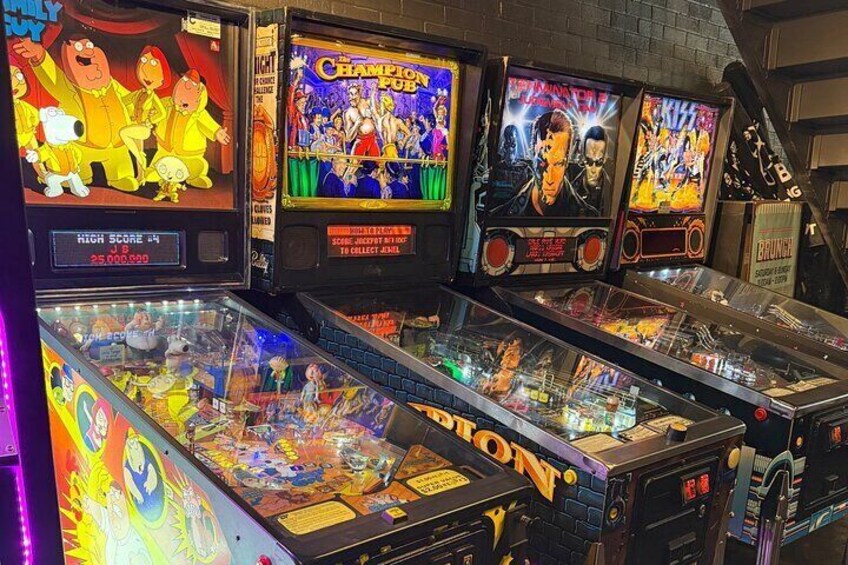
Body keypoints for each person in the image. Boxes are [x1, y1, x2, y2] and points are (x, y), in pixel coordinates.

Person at [14, 36, 138, 192]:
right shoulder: (68, 87)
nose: (88, 51)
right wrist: (39, 56)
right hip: (82, 147)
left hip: (117, 146)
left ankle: (120, 176)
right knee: (78, 168)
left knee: (120, 163)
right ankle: (77, 175)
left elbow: (129, 99)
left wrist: (140, 103)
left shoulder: (112, 85)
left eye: (90, 45)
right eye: (78, 47)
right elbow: (53, 76)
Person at [148, 70, 231, 189]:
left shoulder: (199, 114)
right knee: (160, 161)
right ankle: (155, 172)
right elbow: (157, 113)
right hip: (166, 149)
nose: (183, 100)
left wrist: (217, 132)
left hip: (189, 154)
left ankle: (194, 177)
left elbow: (208, 124)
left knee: (198, 165)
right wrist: (151, 115)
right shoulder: (167, 104)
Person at [492, 109, 580, 216]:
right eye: (542, 163)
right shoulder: (503, 215)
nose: (549, 179)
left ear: (567, 162)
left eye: (558, 164)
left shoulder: (587, 215)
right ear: (532, 158)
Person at [121, 46, 170, 183]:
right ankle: (140, 177)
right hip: (134, 125)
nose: (147, 76)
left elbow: (162, 113)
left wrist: (150, 120)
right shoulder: (137, 93)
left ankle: (139, 157)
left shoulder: (153, 97)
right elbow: (122, 101)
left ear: (162, 80)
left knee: (123, 133)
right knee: (139, 150)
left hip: (143, 128)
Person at [567, 125, 607, 216]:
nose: (593, 170)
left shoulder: (610, 190)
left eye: (598, 163)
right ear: (583, 158)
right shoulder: (571, 185)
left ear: (605, 160)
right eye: (589, 162)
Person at [344, 84, 380, 156]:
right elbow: (348, 138)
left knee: (378, 161)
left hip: (372, 139)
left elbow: (379, 116)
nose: (353, 97)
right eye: (351, 94)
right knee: (354, 162)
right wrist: (356, 125)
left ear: (359, 94)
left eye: (355, 94)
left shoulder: (368, 102)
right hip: (360, 141)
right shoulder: (348, 113)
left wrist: (373, 95)